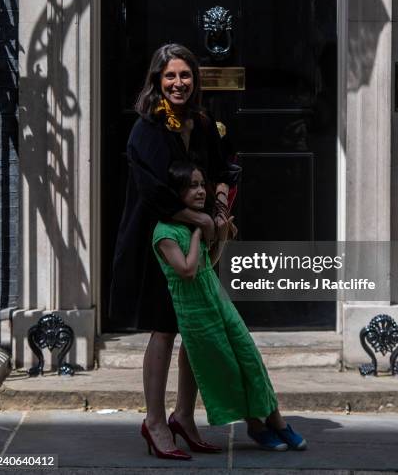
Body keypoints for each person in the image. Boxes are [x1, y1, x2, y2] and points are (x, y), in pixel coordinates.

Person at [109, 44, 238, 460]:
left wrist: (218, 210)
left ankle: (185, 415)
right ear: (156, 81)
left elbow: (223, 167)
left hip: (199, 240)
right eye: (170, 76)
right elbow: (153, 193)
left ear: (194, 81)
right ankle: (155, 421)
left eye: (185, 76)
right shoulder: (146, 130)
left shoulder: (200, 124)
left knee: (197, 328)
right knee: (164, 328)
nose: (178, 83)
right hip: (160, 240)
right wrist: (197, 219)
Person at [148, 160, 307, 458]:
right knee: (226, 369)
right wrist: (198, 232)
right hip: (195, 312)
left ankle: (275, 419)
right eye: (191, 186)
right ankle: (256, 426)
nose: (199, 191)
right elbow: (187, 270)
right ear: (177, 192)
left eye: (200, 185)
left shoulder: (195, 221)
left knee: (249, 357)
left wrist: (218, 236)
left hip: (218, 300)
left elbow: (209, 261)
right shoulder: (166, 232)